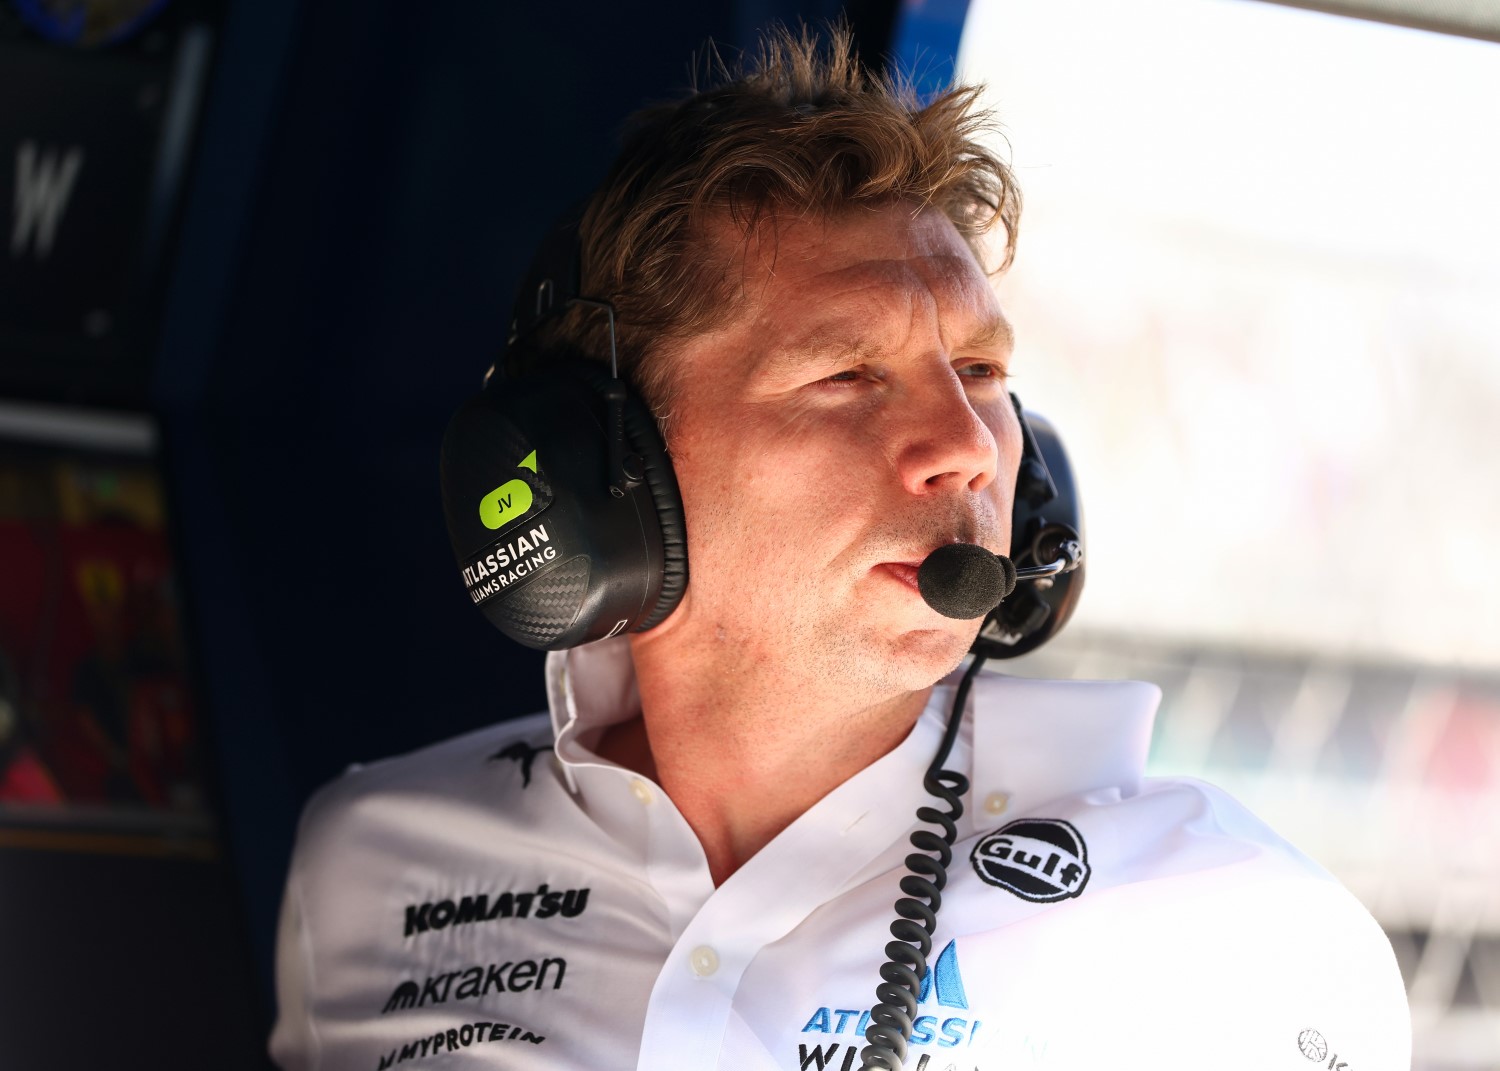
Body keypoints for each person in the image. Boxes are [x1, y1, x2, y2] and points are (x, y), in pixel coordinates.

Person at [270, 25, 1410, 1071]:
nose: (966, 448)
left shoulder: (1232, 928)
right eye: (846, 376)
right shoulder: (371, 863)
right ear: (604, 479)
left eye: (980, 375)